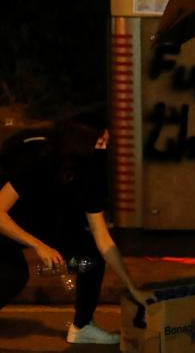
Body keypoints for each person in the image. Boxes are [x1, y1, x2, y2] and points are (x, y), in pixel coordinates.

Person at [0, 111, 152, 345]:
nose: (105, 147)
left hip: (45, 228)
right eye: (100, 142)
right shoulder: (40, 161)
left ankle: (82, 326)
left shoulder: (91, 174)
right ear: (81, 143)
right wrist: (38, 246)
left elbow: (103, 239)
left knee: (90, 257)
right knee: (14, 275)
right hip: (7, 229)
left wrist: (133, 287)